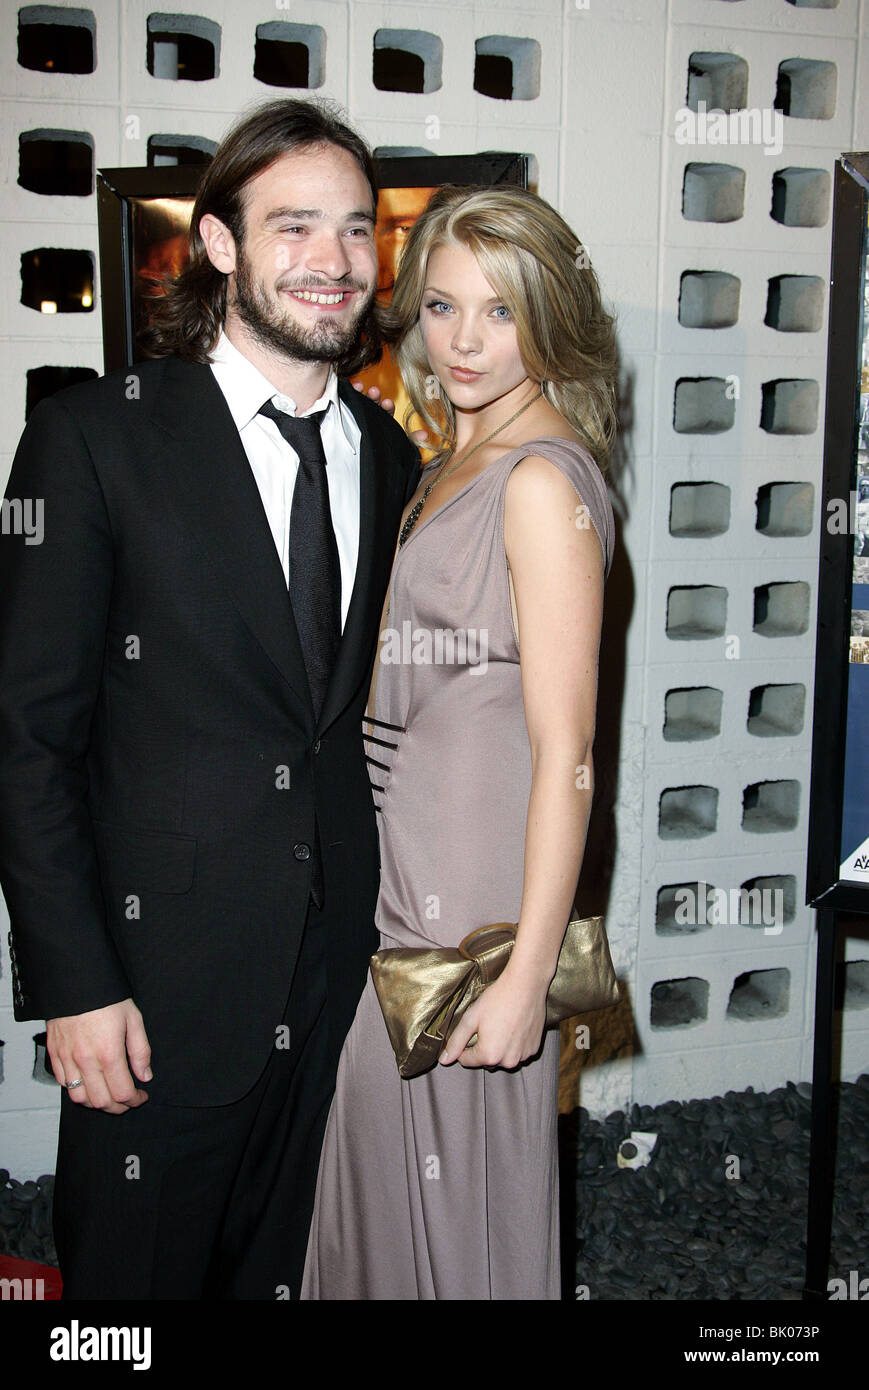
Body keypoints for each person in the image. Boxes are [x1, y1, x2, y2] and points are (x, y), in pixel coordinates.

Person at [0, 97, 420, 1299]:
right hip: (157, 983)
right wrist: (73, 981)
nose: (334, 263)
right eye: (295, 227)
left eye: (354, 230)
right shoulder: (92, 441)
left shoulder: (388, 458)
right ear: (221, 244)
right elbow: (26, 739)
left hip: (336, 973)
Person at [301, 183, 619, 1300]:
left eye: (501, 309)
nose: (466, 341)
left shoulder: (537, 481)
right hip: (407, 875)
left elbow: (568, 750)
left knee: (456, 1199)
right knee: (390, 1184)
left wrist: (528, 974)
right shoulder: (448, 463)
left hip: (472, 910)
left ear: (549, 314)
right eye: (441, 307)